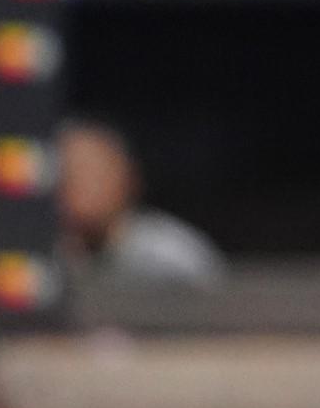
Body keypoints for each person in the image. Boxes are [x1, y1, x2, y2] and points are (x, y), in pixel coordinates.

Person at [54, 118, 225, 288]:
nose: (77, 186)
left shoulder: (168, 253)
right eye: (68, 176)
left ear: (128, 179)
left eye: (90, 173)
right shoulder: (55, 253)